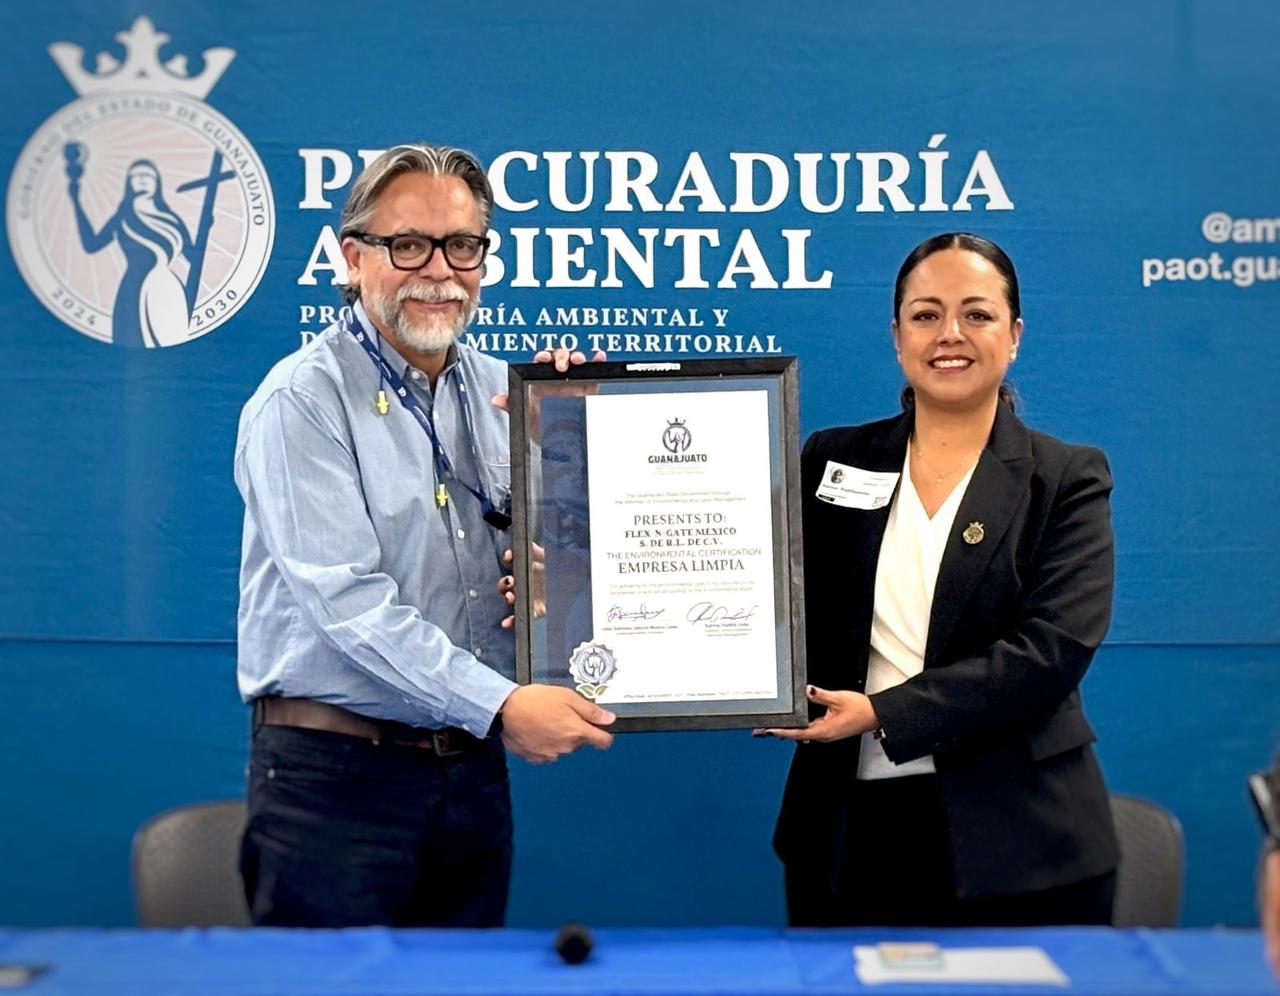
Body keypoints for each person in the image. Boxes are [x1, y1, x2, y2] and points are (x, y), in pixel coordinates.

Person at [233, 143, 615, 928]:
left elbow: (564, 564)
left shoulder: (505, 393)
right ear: (353, 257)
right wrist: (505, 704)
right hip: (337, 783)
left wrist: (578, 442)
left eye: (463, 245)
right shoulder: (300, 402)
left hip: (468, 774)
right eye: (407, 244)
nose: (438, 269)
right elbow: (348, 606)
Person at [759, 232, 1119, 927]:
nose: (949, 334)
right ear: (897, 336)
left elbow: (1052, 652)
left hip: (1021, 844)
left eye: (976, 314)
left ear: (1013, 335)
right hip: (844, 837)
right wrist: (569, 415)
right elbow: (745, 578)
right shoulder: (830, 461)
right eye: (926, 315)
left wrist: (884, 714)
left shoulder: (1066, 479)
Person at [67, 157, 193, 348]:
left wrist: (206, 229)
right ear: (129, 182)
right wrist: (76, 201)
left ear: (157, 182)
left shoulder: (172, 219)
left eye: (148, 176)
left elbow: (193, 256)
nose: (142, 179)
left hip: (169, 290)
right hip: (134, 291)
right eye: (137, 176)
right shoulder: (123, 217)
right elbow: (91, 244)